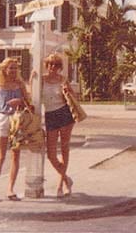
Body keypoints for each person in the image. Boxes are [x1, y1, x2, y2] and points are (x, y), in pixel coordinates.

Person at [0, 58, 28, 203]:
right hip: (3, 119)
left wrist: (20, 101)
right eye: (10, 68)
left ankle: (10, 189)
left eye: (15, 68)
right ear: (4, 69)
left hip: (16, 120)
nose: (13, 70)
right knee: (0, 157)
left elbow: (28, 102)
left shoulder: (20, 85)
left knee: (15, 156)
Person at [40, 54, 76, 198]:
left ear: (60, 67)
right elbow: (33, 96)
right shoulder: (41, 80)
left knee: (65, 149)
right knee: (51, 155)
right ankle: (67, 178)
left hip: (64, 114)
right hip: (50, 116)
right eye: (50, 64)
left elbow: (73, 98)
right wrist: (31, 80)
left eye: (56, 65)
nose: (52, 67)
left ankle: (61, 185)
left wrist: (68, 90)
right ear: (46, 65)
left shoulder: (63, 80)